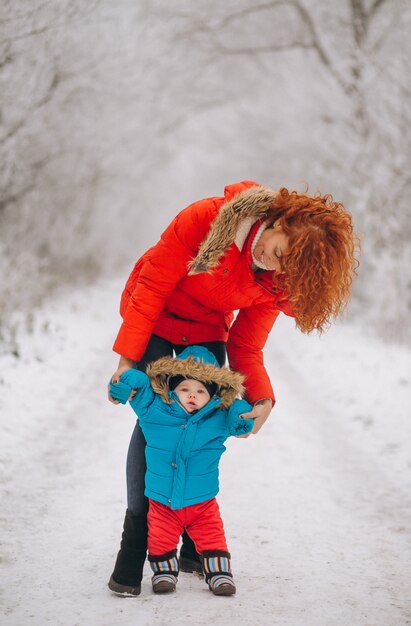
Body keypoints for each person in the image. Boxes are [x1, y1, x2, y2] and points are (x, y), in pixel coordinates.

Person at [107, 180, 359, 596]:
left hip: (207, 329)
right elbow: (151, 289)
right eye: (278, 253)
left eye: (285, 267)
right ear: (281, 221)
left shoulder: (276, 281)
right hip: (155, 312)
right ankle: (136, 545)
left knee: (202, 418)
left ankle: (190, 544)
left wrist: (262, 399)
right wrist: (127, 360)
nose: (272, 264)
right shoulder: (207, 219)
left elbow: (245, 343)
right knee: (161, 421)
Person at [109, 345, 254, 596]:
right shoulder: (154, 411)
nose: (191, 395)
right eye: (184, 388)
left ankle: (219, 574)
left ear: (214, 394)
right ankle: (164, 572)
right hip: (162, 501)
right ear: (171, 388)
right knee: (160, 539)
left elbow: (237, 418)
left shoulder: (217, 420)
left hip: (202, 503)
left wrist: (241, 417)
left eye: (200, 390)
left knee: (212, 538)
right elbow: (141, 387)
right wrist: (127, 379)